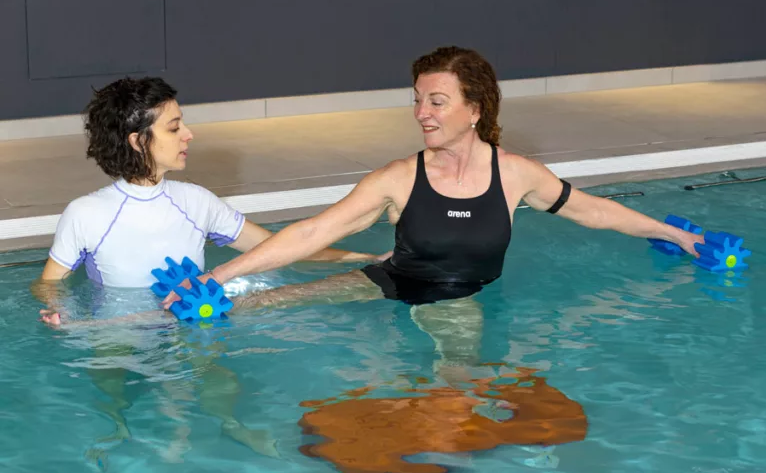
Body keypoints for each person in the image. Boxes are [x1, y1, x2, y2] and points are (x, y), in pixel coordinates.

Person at [163, 46, 704, 376]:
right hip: (385, 279)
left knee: (456, 387)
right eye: (417, 99)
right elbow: (312, 232)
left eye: (437, 102)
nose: (421, 113)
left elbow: (593, 212)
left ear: (475, 109)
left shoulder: (515, 175)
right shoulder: (398, 178)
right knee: (248, 308)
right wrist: (218, 275)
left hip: (457, 300)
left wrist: (673, 234)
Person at [31, 76, 387, 464]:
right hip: (118, 330)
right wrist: (59, 314)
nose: (189, 134)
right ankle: (117, 426)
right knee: (110, 373)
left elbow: (278, 248)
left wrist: (361, 258)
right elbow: (49, 285)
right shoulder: (87, 213)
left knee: (213, 377)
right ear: (138, 140)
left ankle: (228, 425)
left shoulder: (196, 201)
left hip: (190, 325)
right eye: (174, 126)